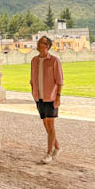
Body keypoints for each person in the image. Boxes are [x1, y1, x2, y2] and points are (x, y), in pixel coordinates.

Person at [30, 36, 63, 164]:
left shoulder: (54, 61)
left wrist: (58, 97)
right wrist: (33, 91)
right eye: (38, 42)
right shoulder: (34, 61)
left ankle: (49, 153)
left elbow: (59, 81)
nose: (38, 44)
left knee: (50, 124)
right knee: (45, 124)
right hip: (39, 97)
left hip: (51, 97)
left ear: (47, 46)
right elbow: (32, 78)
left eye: (41, 43)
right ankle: (58, 147)